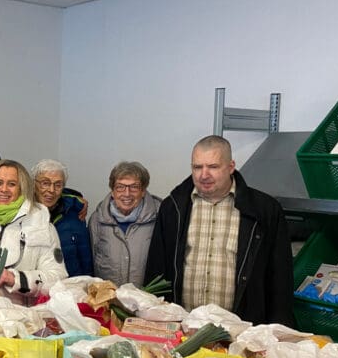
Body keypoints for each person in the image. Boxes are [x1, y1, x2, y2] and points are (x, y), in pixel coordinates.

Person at [145, 135, 294, 326]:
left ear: (231, 167)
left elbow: (280, 278)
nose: (203, 175)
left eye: (213, 167)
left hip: (242, 331)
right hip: (182, 327)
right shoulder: (173, 208)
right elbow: (156, 269)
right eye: (197, 167)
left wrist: (278, 328)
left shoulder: (265, 210)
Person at [0, 159, 67, 306]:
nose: (4, 189)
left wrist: (15, 279)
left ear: (22, 188)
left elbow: (58, 279)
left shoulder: (42, 224)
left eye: (12, 184)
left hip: (26, 319)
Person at [89, 161, 160, 287]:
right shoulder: (97, 219)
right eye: (120, 187)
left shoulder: (160, 216)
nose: (127, 194)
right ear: (112, 191)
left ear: (143, 191)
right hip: (109, 301)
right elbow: (92, 259)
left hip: (148, 300)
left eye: (134, 187)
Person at [31, 159, 93, 277]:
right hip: (36, 288)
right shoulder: (23, 215)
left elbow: (85, 256)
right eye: (45, 183)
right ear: (34, 184)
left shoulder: (76, 214)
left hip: (71, 288)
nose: (51, 190)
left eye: (58, 185)